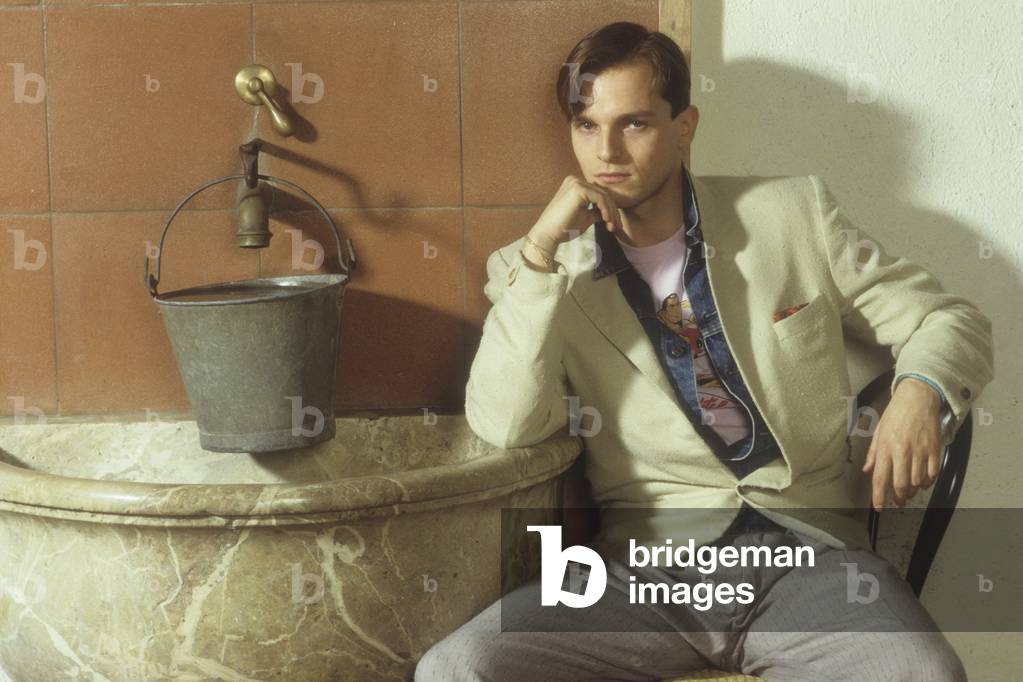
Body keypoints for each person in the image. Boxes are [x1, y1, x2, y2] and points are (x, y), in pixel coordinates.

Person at [416, 21, 993, 682]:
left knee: (920, 670)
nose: (606, 151)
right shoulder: (545, 275)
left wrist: (919, 390)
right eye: (585, 125)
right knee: (460, 667)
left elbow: (949, 318)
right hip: (645, 574)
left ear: (683, 125)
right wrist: (541, 251)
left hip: (808, 562)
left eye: (633, 124)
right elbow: (506, 425)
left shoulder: (791, 214)